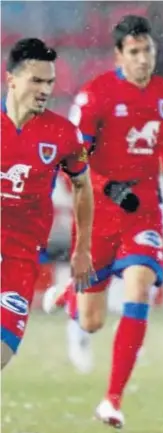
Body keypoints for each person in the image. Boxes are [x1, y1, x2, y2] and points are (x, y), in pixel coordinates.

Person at [42, 15, 163, 428]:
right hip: (97, 215)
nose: (144, 60)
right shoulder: (95, 97)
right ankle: (73, 299)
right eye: (135, 53)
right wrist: (108, 188)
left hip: (143, 212)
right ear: (119, 55)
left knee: (139, 285)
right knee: (93, 320)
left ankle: (112, 400)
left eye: (149, 52)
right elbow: (75, 159)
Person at [1, 38, 94, 369]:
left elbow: (83, 186)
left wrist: (81, 249)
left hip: (20, 258)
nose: (45, 89)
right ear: (11, 78)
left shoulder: (64, 134)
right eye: (36, 80)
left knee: (3, 354)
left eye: (50, 82)